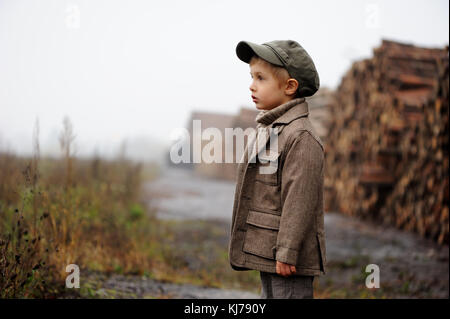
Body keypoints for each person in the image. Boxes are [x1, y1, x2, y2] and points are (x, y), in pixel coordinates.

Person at [228, 40, 327, 299]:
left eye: (261, 78)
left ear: (289, 87)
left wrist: (287, 251)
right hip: (269, 251)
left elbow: (299, 200)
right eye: (252, 77)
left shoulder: (300, 136)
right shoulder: (271, 129)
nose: (252, 85)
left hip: (287, 259)